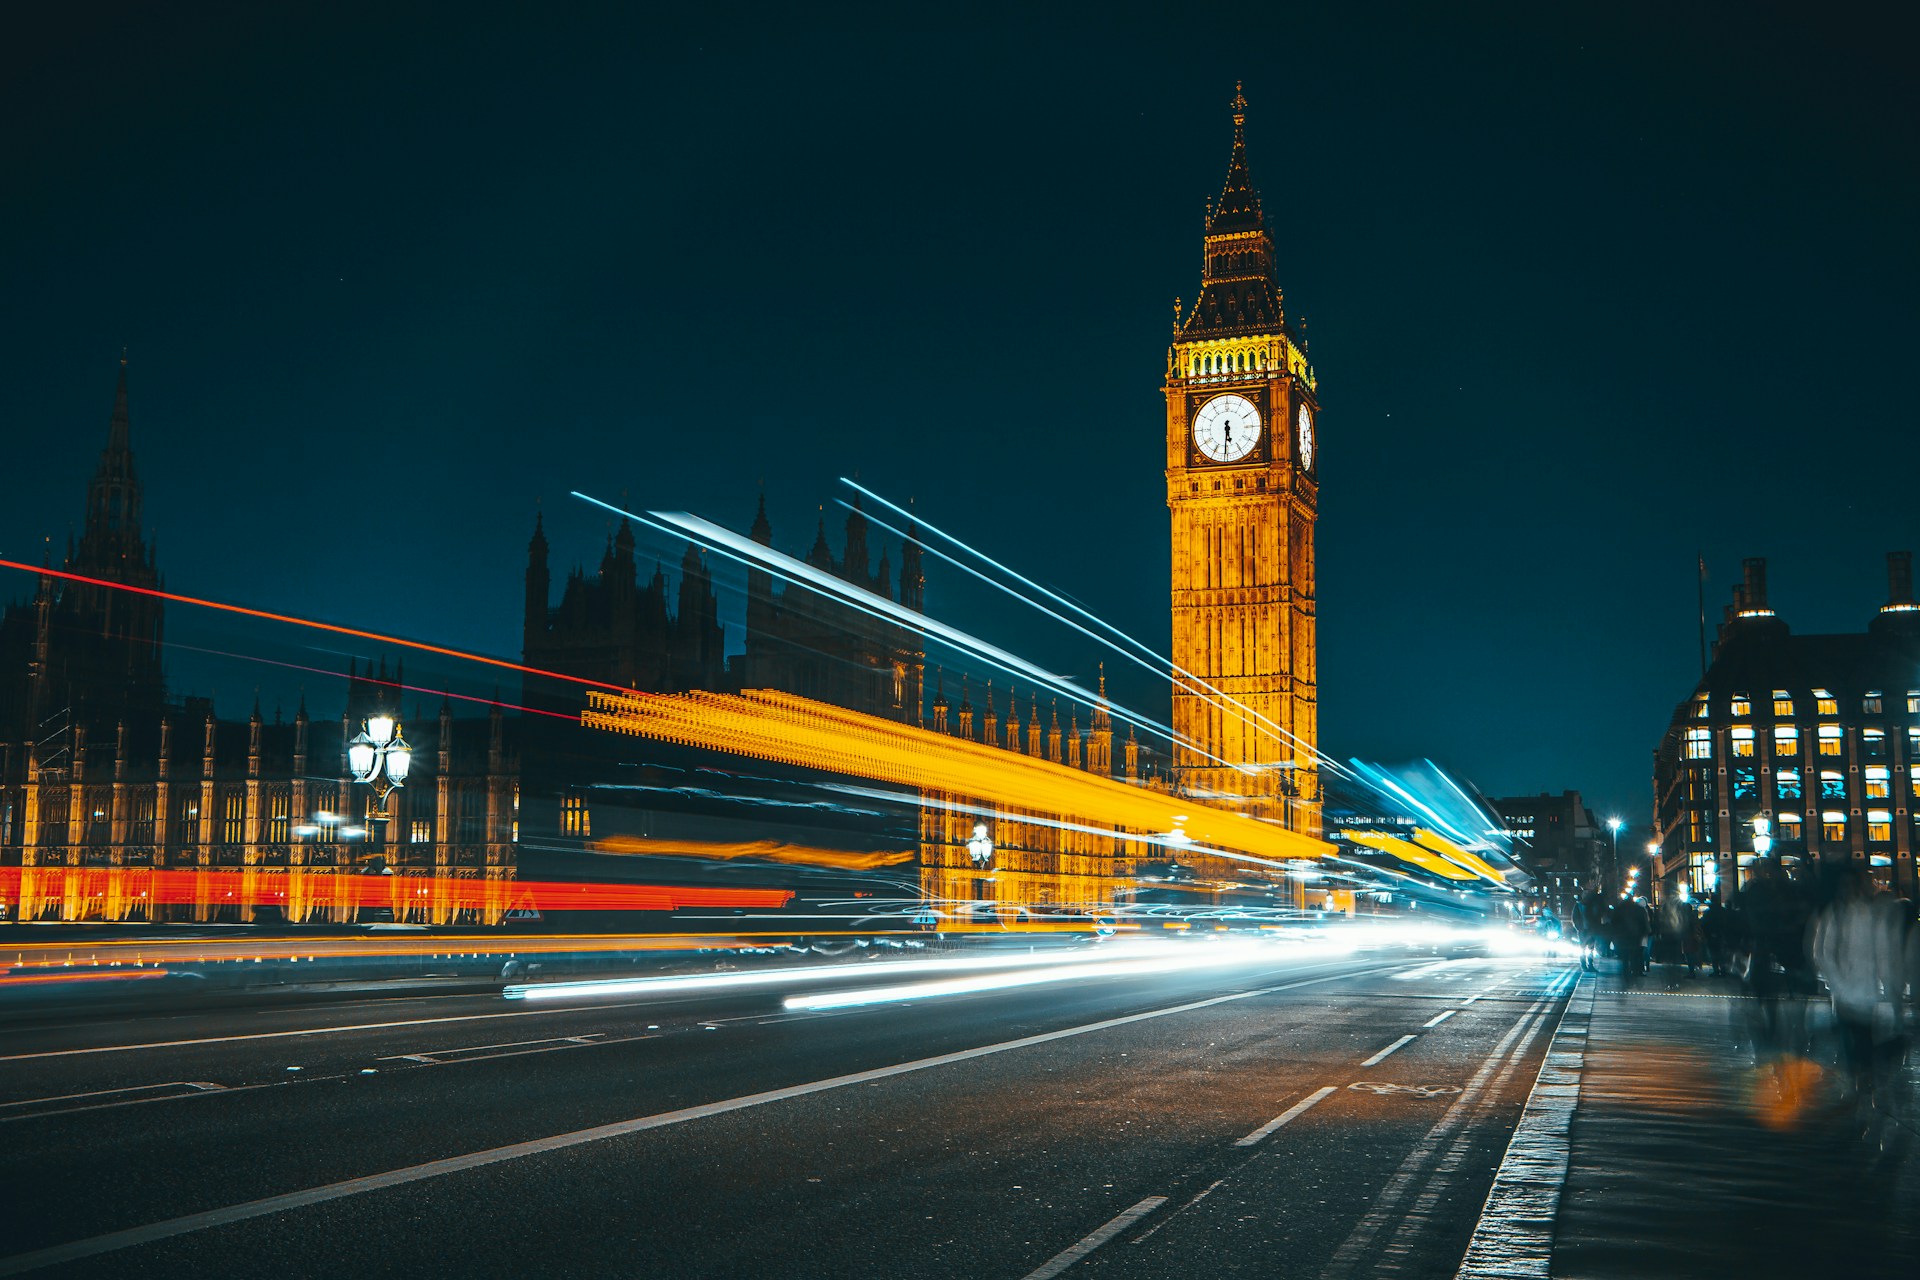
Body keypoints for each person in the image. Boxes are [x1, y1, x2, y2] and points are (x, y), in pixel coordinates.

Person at [1810, 868, 1902, 1105]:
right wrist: (1837, 980)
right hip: (1846, 989)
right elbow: (1824, 952)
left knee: (1860, 1037)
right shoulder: (1837, 915)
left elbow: (1881, 951)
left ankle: (1862, 1077)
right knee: (1851, 1036)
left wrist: (1888, 982)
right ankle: (1859, 1077)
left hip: (1864, 988)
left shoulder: (1868, 914)